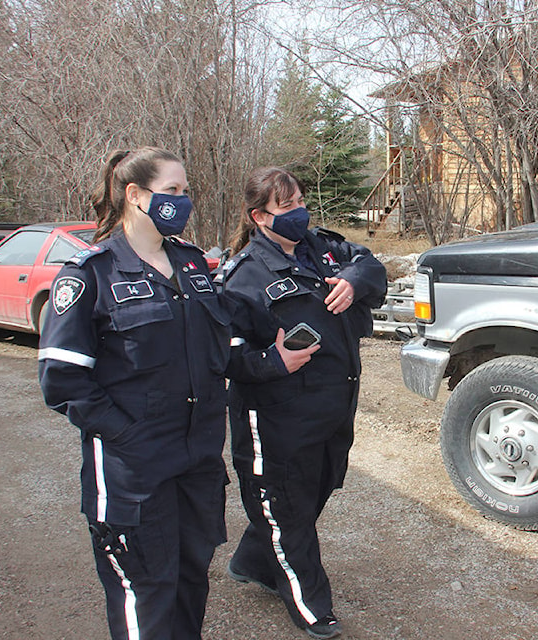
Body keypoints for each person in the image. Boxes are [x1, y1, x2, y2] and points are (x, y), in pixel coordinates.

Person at [38, 148, 289, 639]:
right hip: (134, 472)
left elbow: (218, 354)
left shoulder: (193, 266)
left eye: (185, 191)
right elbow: (63, 381)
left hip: (195, 465)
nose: (183, 200)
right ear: (135, 195)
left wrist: (273, 361)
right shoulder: (91, 274)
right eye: (171, 191)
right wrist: (127, 434)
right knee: (146, 594)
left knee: (190, 581)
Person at [220, 167, 387, 639]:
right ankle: (311, 605)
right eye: (286, 206)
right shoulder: (242, 276)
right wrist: (272, 361)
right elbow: (222, 356)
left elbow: (372, 265)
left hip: (334, 407)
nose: (299, 212)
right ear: (259, 216)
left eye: (299, 201)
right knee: (287, 509)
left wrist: (354, 280)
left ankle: (253, 560)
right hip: (278, 417)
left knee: (315, 490)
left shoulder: (324, 247)